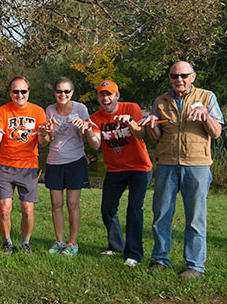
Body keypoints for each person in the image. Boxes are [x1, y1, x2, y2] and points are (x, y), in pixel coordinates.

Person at [140, 61, 223, 278]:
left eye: (184, 75)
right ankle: (160, 259)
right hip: (166, 164)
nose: (180, 79)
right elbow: (155, 138)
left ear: (193, 76)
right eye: (175, 76)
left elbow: (216, 133)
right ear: (170, 78)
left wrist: (205, 115)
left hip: (197, 165)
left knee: (195, 217)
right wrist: (151, 125)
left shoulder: (207, 97)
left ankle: (195, 266)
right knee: (161, 214)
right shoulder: (160, 101)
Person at [84, 80, 152, 267]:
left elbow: (141, 134)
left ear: (117, 96)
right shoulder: (96, 117)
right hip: (115, 169)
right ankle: (116, 246)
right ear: (98, 97)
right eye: (102, 95)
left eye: (109, 94)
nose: (106, 98)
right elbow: (96, 144)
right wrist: (89, 129)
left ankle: (134, 254)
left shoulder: (131, 108)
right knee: (108, 208)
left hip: (139, 167)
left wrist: (129, 121)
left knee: (134, 209)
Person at [0, 76, 48, 255]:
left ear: (28, 92)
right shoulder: (3, 111)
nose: (19, 95)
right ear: (10, 93)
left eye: (23, 91)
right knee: (5, 209)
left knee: (27, 210)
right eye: (15, 91)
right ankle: (7, 241)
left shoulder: (38, 112)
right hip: (5, 166)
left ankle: (25, 242)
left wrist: (45, 134)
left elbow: (43, 142)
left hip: (29, 166)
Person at [44, 77, 90, 256]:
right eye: (59, 91)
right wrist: (49, 130)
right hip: (54, 161)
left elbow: (84, 135)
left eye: (66, 92)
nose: (62, 95)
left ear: (72, 93)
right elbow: (47, 140)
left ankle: (73, 242)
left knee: (72, 203)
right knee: (56, 204)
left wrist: (82, 126)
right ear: (55, 92)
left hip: (75, 161)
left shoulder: (80, 109)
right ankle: (59, 241)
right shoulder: (49, 110)